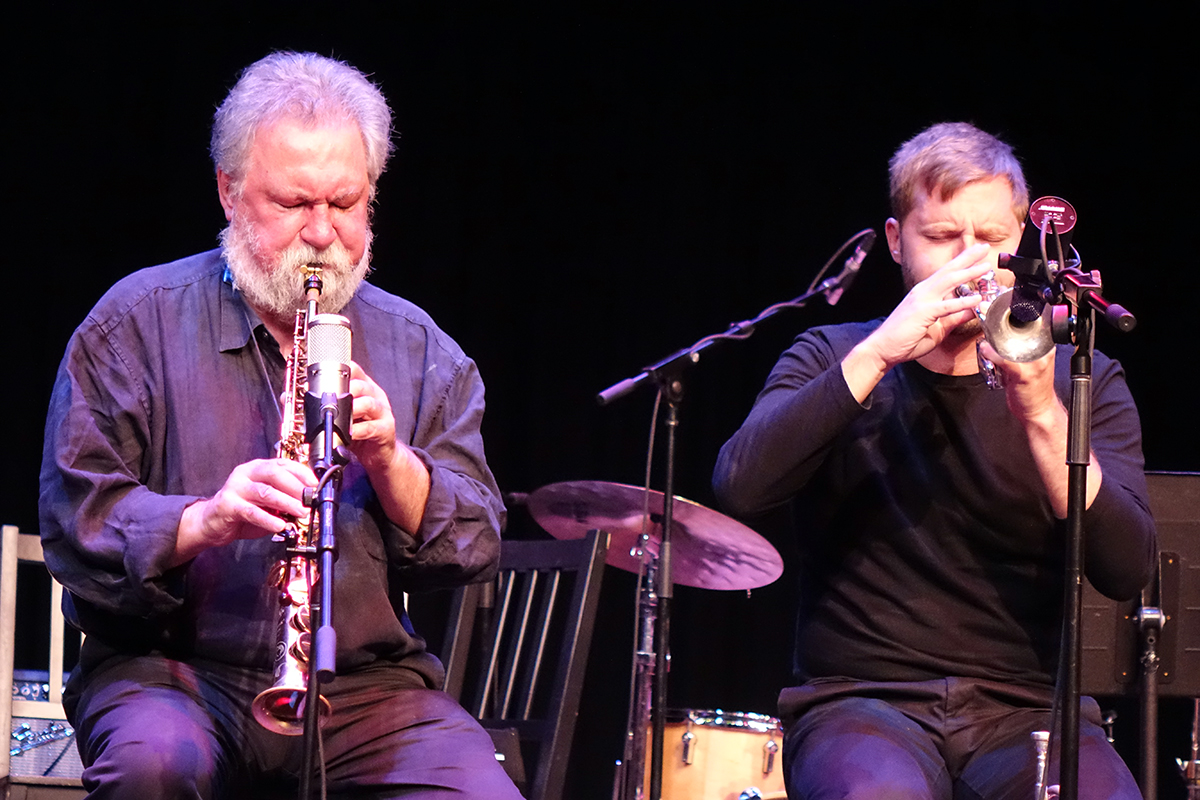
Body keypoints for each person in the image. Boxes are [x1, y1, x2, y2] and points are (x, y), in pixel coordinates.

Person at [39, 51, 522, 799]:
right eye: (295, 204)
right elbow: (80, 520)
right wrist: (204, 521)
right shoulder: (133, 324)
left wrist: (393, 461)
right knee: (152, 770)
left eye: (347, 203)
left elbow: (475, 543)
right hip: (169, 673)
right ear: (229, 192)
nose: (324, 234)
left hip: (363, 688)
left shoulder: (422, 348)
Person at [712, 122, 1155, 800]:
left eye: (992, 239)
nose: (971, 261)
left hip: (1029, 710)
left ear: (1023, 244)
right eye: (943, 238)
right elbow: (742, 487)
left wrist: (1041, 413)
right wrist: (881, 353)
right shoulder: (831, 356)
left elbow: (1126, 569)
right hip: (860, 703)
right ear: (897, 242)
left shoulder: (1080, 380)